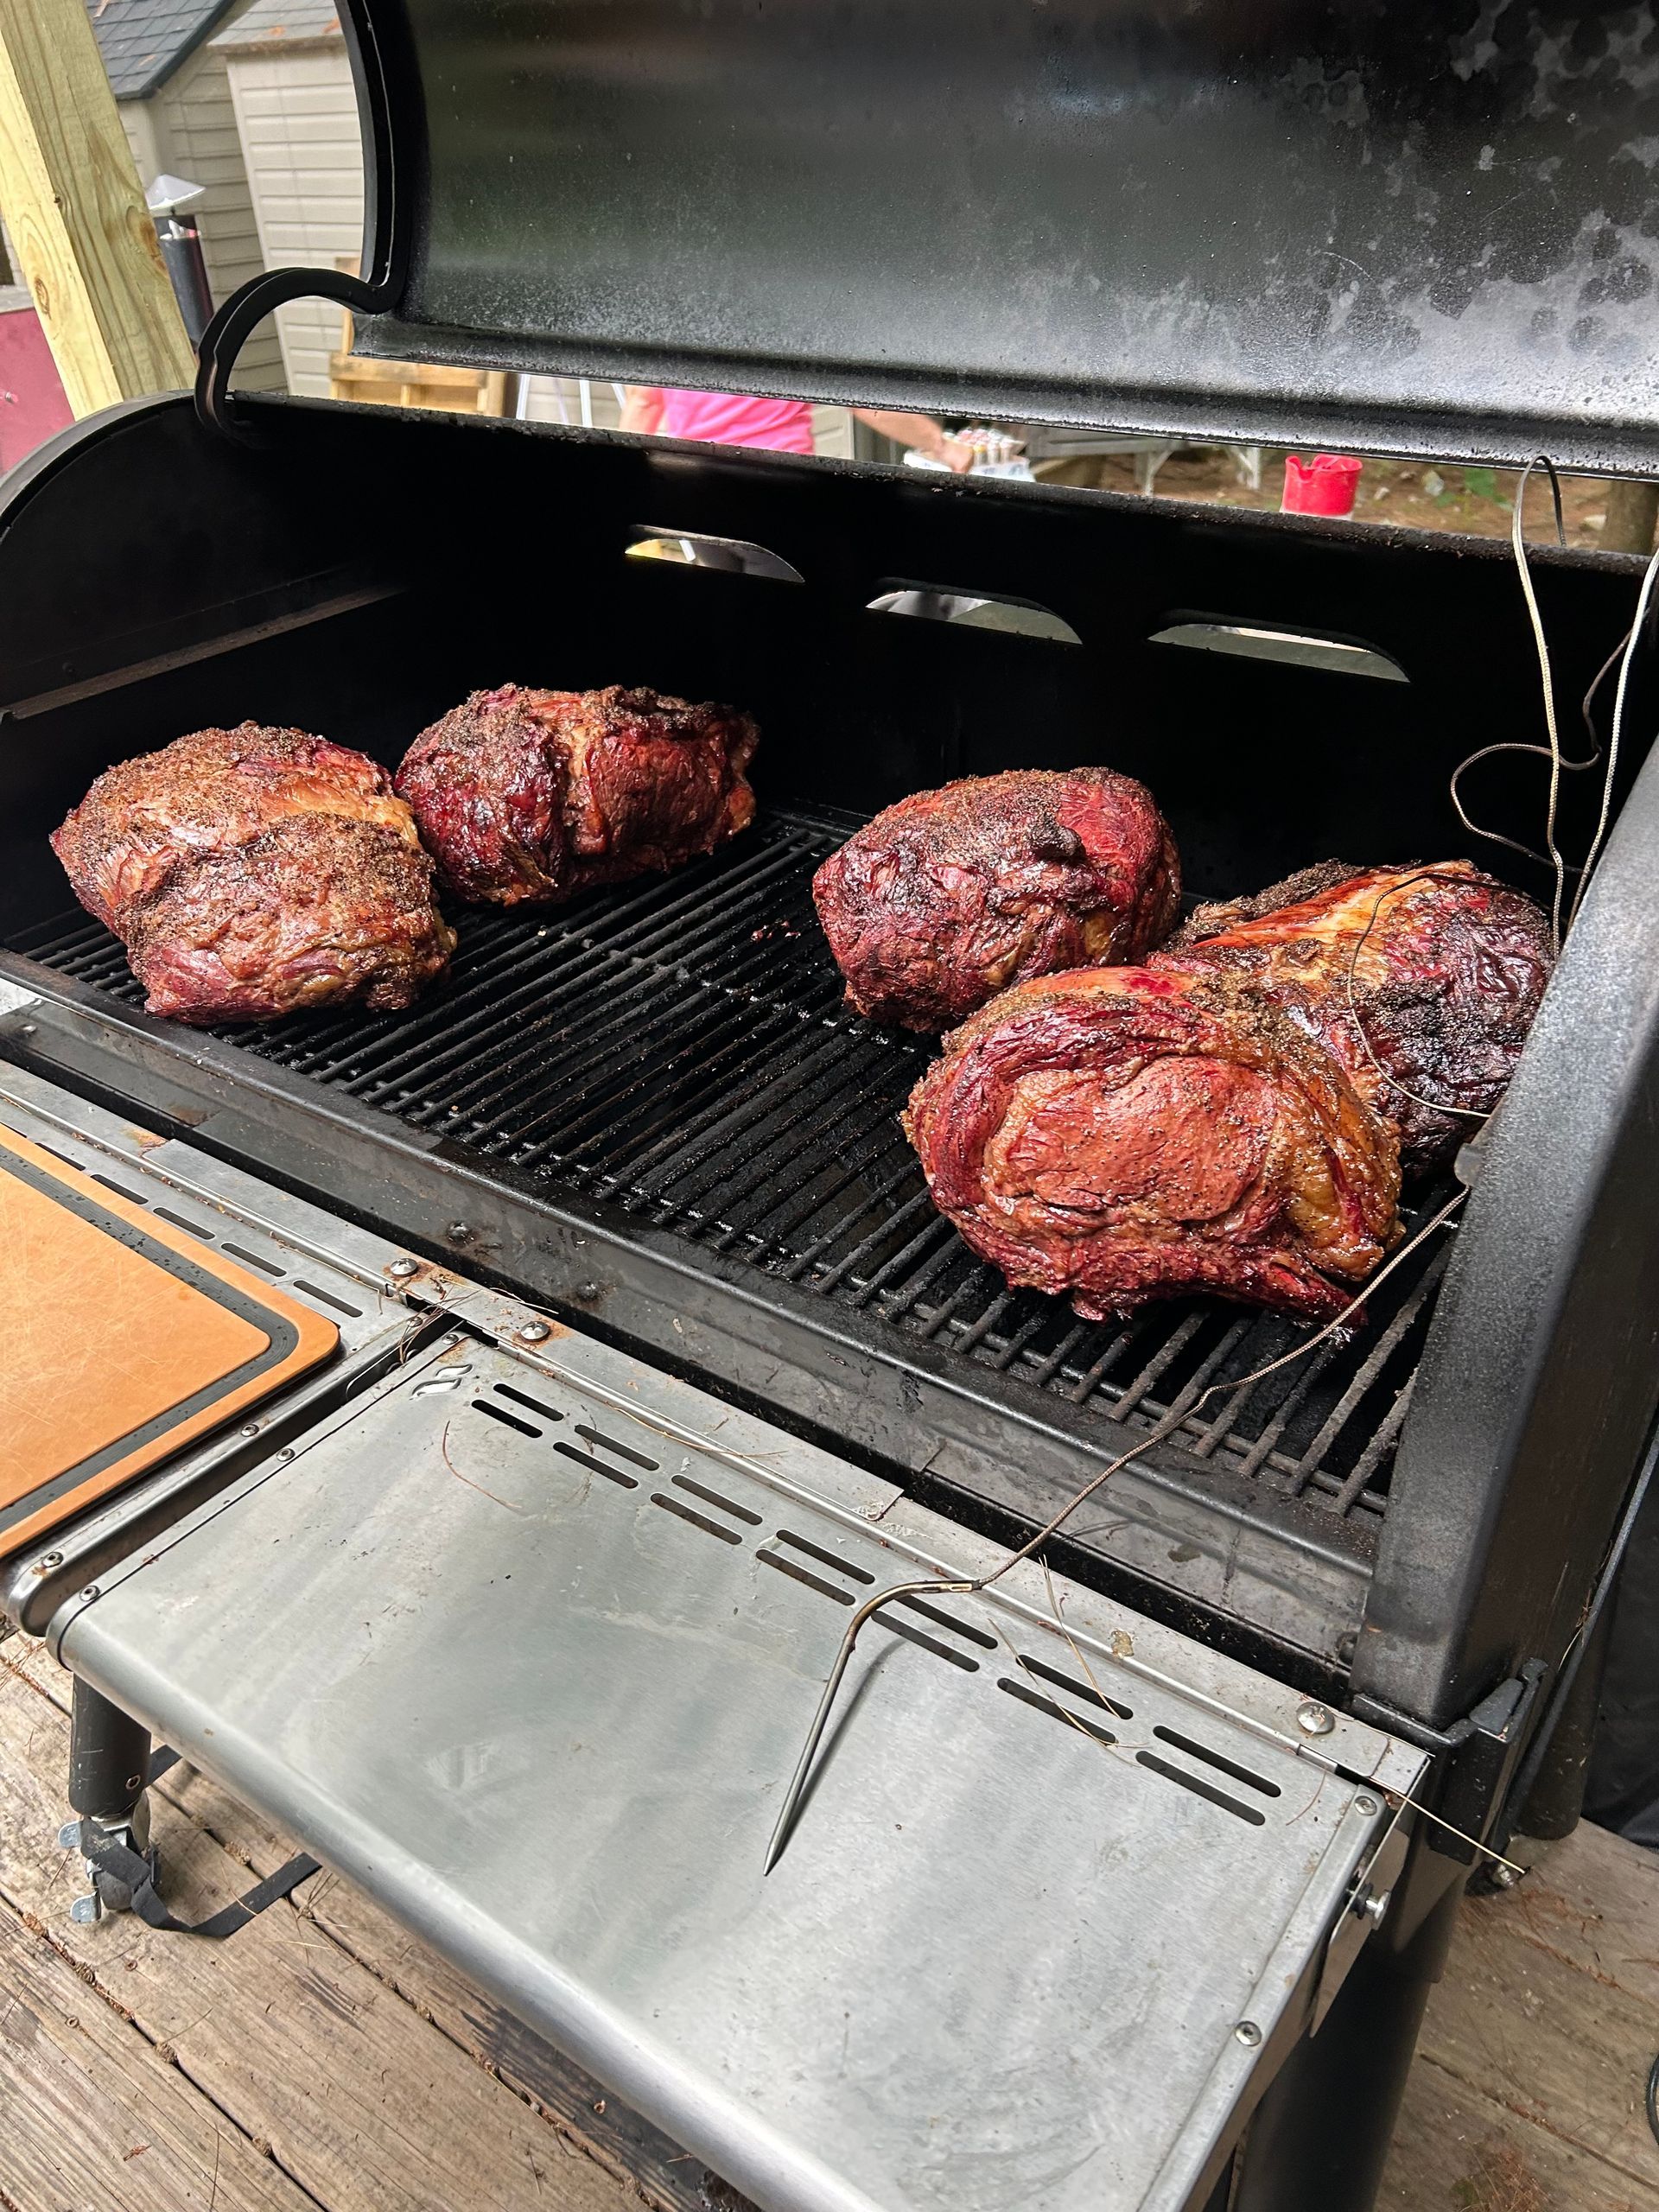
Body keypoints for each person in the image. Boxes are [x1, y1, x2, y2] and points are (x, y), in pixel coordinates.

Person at [619, 386, 975, 470]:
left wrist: (627, 474)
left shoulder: (678, 305)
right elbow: (859, 397)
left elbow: (643, 402)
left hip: (697, 485)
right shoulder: (785, 308)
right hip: (777, 487)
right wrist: (941, 446)